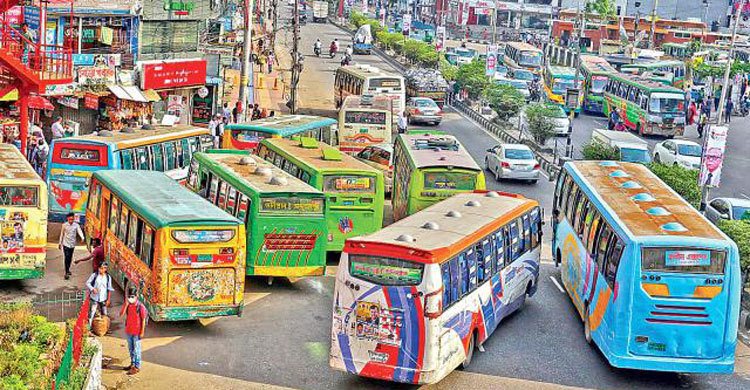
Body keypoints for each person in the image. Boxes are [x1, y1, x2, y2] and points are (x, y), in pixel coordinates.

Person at [121, 287, 147, 375]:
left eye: (132, 296)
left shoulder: (141, 307)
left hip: (137, 332)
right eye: (129, 297)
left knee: (137, 350)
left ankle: (137, 366)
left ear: (136, 296)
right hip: (129, 330)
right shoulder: (128, 305)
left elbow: (143, 320)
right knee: (131, 348)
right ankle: (132, 364)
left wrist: (142, 332)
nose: (130, 298)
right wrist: (125, 304)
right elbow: (121, 314)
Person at [85, 262, 114, 328]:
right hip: (94, 298)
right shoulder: (94, 275)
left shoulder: (108, 277)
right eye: (101, 268)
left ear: (106, 269)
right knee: (92, 313)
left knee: (105, 314)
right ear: (98, 268)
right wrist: (92, 289)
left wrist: (108, 299)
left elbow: (109, 288)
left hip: (103, 299)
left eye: (104, 268)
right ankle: (89, 328)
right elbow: (88, 283)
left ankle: (104, 327)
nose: (102, 270)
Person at [59, 212, 84, 280]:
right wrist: (59, 243)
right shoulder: (64, 225)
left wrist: (82, 238)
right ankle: (66, 271)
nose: (71, 221)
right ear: (67, 219)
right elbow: (62, 234)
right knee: (66, 257)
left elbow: (79, 231)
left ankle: (68, 269)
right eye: (70, 219)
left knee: (69, 257)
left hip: (72, 244)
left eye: (72, 219)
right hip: (65, 244)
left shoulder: (76, 225)